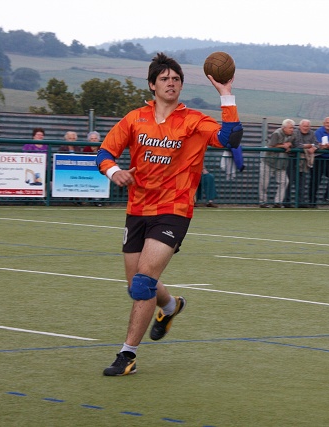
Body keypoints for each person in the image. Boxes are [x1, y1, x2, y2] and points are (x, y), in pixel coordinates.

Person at [96, 52, 242, 376]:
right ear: (152, 85)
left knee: (143, 283)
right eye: (164, 78)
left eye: (176, 79)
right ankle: (171, 305)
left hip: (174, 209)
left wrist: (226, 94)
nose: (171, 83)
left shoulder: (193, 121)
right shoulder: (135, 119)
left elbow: (230, 137)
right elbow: (105, 152)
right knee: (136, 284)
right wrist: (114, 171)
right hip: (137, 208)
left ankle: (127, 355)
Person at [259, 119, 294, 208]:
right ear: (284, 128)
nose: (292, 130)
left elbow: (294, 144)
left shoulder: (293, 135)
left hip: (282, 164)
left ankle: (278, 202)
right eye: (290, 128)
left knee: (284, 182)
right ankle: (262, 202)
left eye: (292, 128)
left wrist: (290, 145)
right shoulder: (276, 133)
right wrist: (283, 146)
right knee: (264, 183)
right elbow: (271, 145)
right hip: (269, 162)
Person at [284, 119, 316, 208]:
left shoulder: (312, 133)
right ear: (300, 126)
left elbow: (316, 144)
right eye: (304, 126)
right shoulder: (295, 133)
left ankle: (300, 202)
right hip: (293, 159)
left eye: (307, 126)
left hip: (304, 161)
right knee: (289, 181)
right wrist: (309, 145)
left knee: (302, 182)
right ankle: (286, 202)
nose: (306, 128)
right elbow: (297, 145)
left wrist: (314, 147)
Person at [309, 116, 329, 206]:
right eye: (327, 123)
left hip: (327, 159)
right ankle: (312, 202)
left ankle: (327, 196)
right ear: (323, 123)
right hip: (318, 158)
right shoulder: (318, 132)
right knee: (315, 181)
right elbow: (320, 145)